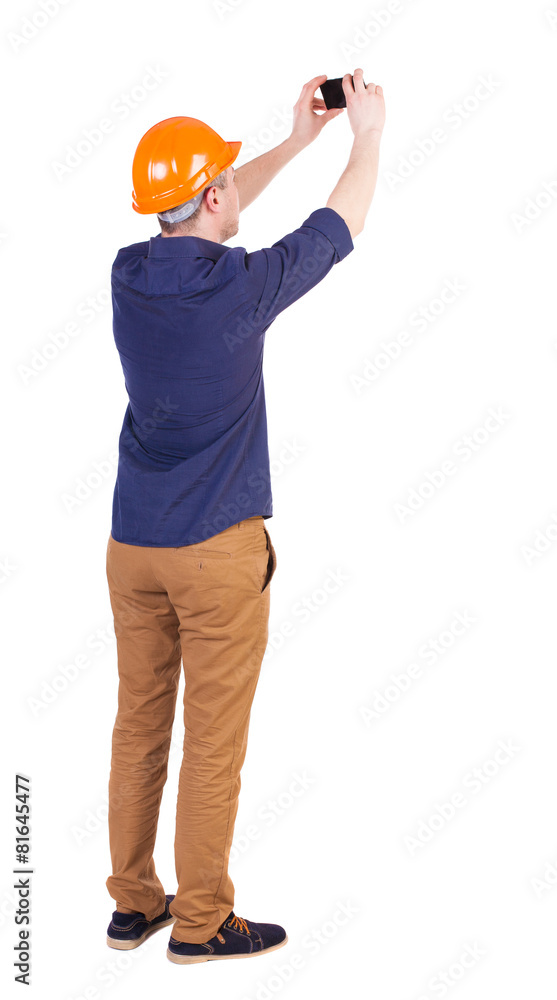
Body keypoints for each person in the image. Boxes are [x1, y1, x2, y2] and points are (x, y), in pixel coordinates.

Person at [104, 68, 385, 965]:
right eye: (224, 183)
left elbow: (201, 216)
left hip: (131, 549)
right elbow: (336, 230)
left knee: (140, 725)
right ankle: (199, 924)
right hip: (216, 554)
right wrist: (363, 137)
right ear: (215, 195)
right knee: (212, 746)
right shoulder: (240, 287)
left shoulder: (129, 276)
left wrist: (296, 144)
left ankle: (132, 907)